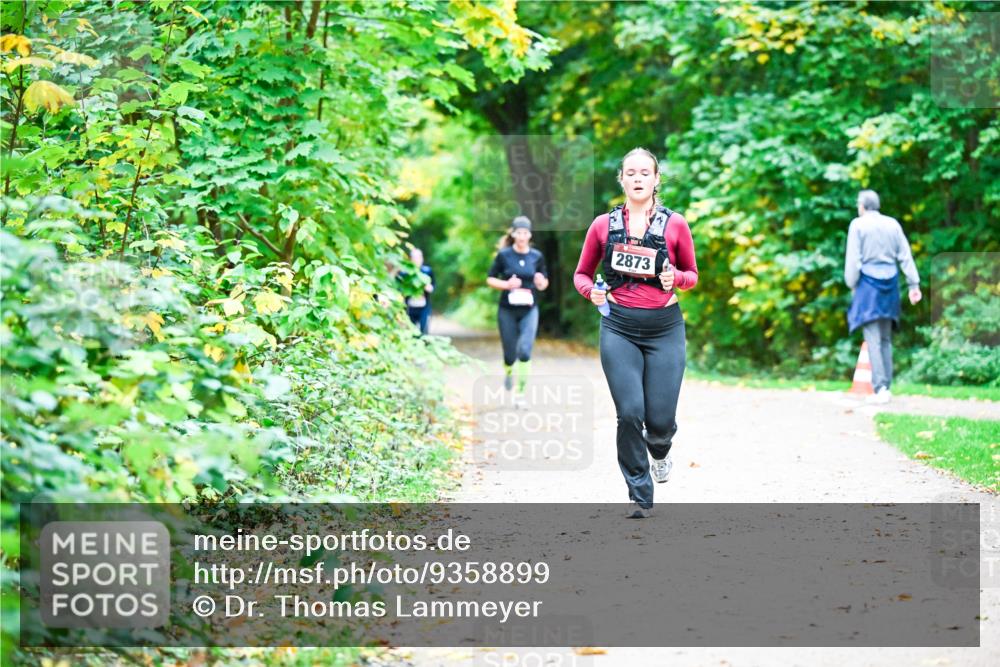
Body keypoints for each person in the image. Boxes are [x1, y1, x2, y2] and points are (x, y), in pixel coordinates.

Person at [574, 147, 698, 519]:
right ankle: (639, 492)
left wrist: (673, 277)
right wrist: (591, 291)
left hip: (664, 330)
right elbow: (581, 274)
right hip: (619, 327)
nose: (638, 178)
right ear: (622, 179)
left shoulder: (675, 224)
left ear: (656, 179)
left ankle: (659, 451)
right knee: (629, 413)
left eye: (646, 172)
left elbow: (692, 274)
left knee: (659, 423)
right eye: (631, 172)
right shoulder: (602, 226)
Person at [844, 189, 921, 404]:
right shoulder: (893, 224)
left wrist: (852, 284)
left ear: (862, 206)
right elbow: (905, 256)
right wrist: (913, 284)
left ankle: (880, 389)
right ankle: (885, 385)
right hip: (891, 283)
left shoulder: (857, 225)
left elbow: (853, 260)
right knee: (885, 337)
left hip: (868, 284)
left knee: (873, 337)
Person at [486, 216, 549, 396]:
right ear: (513, 234)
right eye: (518, 233)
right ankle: (508, 371)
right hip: (507, 310)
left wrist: (540, 282)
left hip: (530, 309)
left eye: (525, 233)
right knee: (509, 353)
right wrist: (506, 285)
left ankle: (520, 392)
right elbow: (490, 278)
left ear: (530, 235)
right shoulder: (504, 255)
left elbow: (544, 283)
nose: (522, 236)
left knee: (525, 350)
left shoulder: (537, 256)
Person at [401, 247, 435, 335]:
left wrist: (429, 288)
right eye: (414, 258)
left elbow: (433, 286)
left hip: (424, 306)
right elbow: (400, 288)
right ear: (410, 259)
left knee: (423, 330)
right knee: (410, 331)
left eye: (418, 257)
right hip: (410, 307)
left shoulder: (427, 271)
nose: (416, 260)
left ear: (422, 258)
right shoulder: (405, 273)